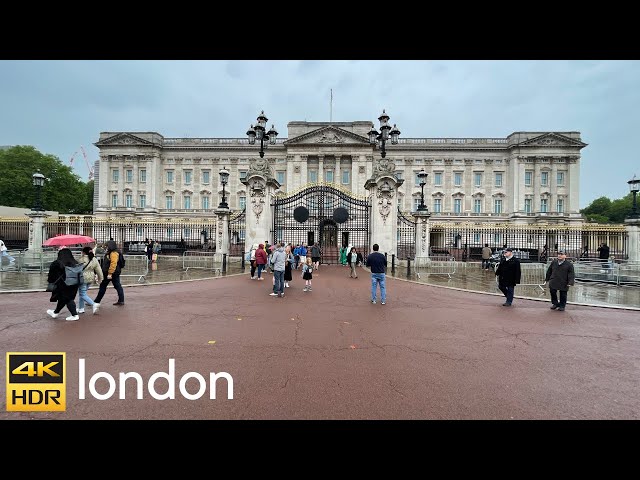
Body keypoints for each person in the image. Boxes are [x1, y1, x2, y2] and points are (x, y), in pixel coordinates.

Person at [46, 248, 81, 321]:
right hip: (74, 284)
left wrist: (51, 282)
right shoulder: (75, 262)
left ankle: (74, 315)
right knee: (63, 299)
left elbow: (51, 276)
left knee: (67, 299)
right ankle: (55, 313)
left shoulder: (56, 263)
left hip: (62, 284)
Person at [93, 240, 125, 312]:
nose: (106, 247)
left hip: (110, 273)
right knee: (117, 286)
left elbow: (113, 264)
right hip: (114, 273)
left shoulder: (113, 253)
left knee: (103, 286)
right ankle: (121, 300)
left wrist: (110, 273)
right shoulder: (113, 252)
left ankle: (96, 301)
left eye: (107, 246)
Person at [77, 246, 104, 314]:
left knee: (82, 294)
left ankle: (93, 304)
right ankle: (81, 308)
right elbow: (99, 270)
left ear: (83, 252)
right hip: (91, 278)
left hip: (83, 278)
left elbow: (76, 268)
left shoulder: (81, 259)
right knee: (83, 293)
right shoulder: (94, 259)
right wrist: (100, 279)